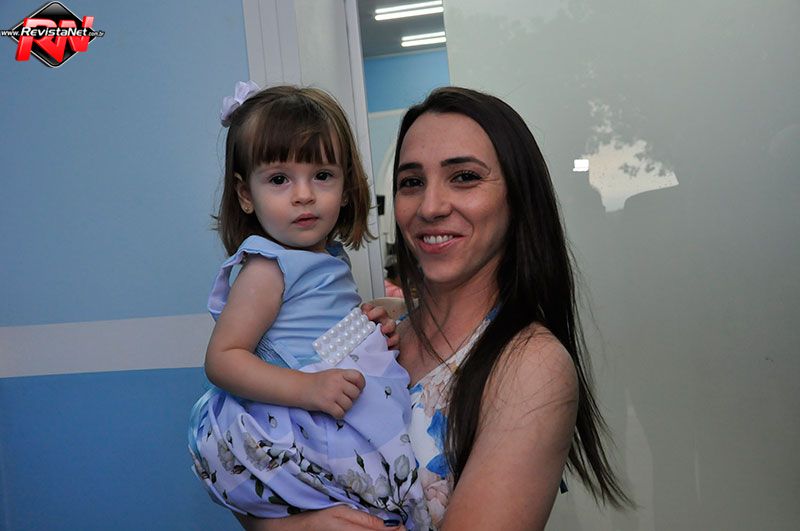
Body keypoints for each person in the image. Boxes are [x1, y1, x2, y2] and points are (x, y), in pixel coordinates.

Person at [249, 86, 632, 531]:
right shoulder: (376, 329)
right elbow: (255, 453)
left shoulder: (529, 365)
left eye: (464, 177)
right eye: (412, 182)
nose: (430, 207)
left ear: (518, 197)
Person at [187, 82, 430, 530]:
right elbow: (222, 359)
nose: (304, 194)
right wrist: (308, 389)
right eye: (279, 179)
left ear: (346, 185)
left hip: (334, 405)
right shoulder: (267, 267)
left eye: (322, 175)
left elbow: (318, 333)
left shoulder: (327, 256)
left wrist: (368, 331)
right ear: (246, 194)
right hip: (301, 419)